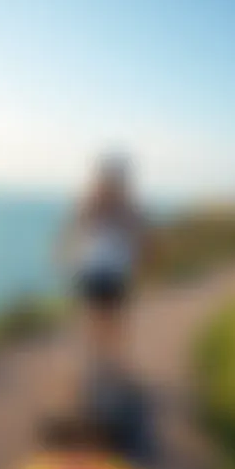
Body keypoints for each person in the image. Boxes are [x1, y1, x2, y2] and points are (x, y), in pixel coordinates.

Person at [57, 154, 147, 364]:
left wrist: (140, 259)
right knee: (94, 318)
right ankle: (97, 360)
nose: (112, 181)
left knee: (113, 320)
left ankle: (109, 361)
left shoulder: (126, 207)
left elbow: (140, 236)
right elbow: (73, 230)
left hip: (114, 271)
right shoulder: (91, 203)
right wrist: (65, 256)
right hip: (93, 269)